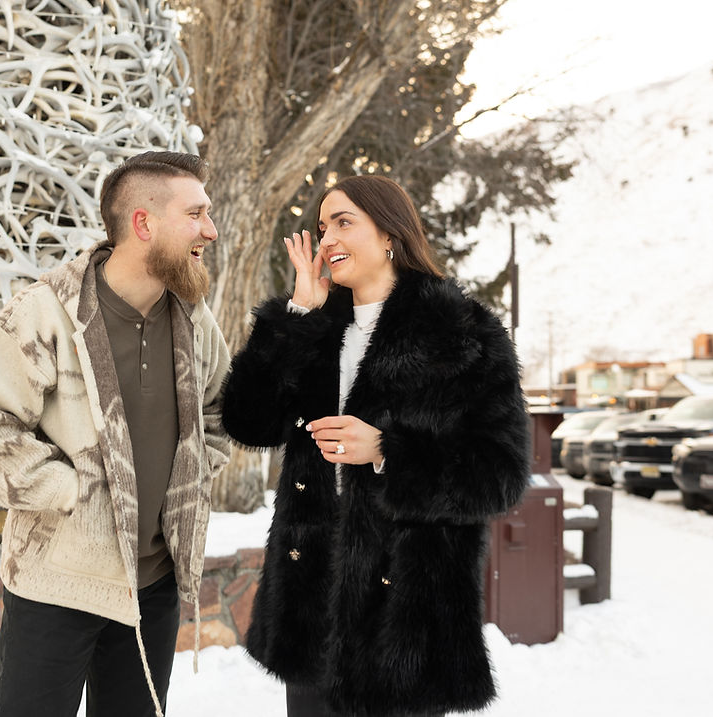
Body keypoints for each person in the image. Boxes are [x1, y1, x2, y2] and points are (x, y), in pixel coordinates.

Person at [221, 175, 530, 716]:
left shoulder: (462, 333)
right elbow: (249, 422)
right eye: (322, 228)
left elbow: (499, 476)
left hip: (406, 618)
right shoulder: (318, 327)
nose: (327, 240)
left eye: (344, 222)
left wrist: (389, 451)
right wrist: (296, 317)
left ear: (390, 233)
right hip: (312, 602)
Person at [0, 151, 230, 717]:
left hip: (151, 590)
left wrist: (192, 475)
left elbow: (221, 411)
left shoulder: (193, 318)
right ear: (143, 223)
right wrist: (75, 494)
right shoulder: (45, 313)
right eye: (196, 213)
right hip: (56, 585)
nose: (211, 229)